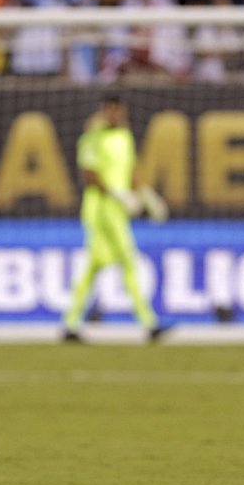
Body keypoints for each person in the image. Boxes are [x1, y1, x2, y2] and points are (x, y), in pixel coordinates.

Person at [63, 96, 169, 344]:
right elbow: (89, 175)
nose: (115, 115)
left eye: (119, 111)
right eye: (110, 111)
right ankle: (149, 323)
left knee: (93, 267)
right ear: (103, 112)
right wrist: (117, 195)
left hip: (118, 209)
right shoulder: (92, 138)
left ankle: (70, 323)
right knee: (128, 260)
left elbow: (131, 172)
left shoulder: (125, 137)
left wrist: (147, 196)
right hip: (100, 209)